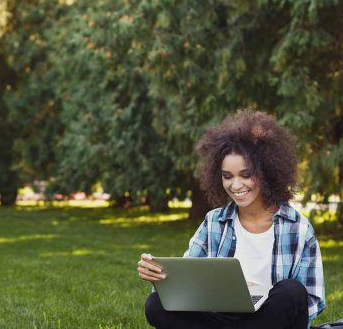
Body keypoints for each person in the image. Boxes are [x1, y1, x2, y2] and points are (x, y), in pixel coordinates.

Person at [137, 110, 325, 329]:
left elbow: (310, 300)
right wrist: (159, 278)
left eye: (246, 175)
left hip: (270, 319)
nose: (236, 186)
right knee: (155, 305)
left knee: (292, 291)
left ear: (267, 172)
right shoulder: (214, 222)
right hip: (220, 317)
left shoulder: (298, 228)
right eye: (228, 176)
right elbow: (187, 284)